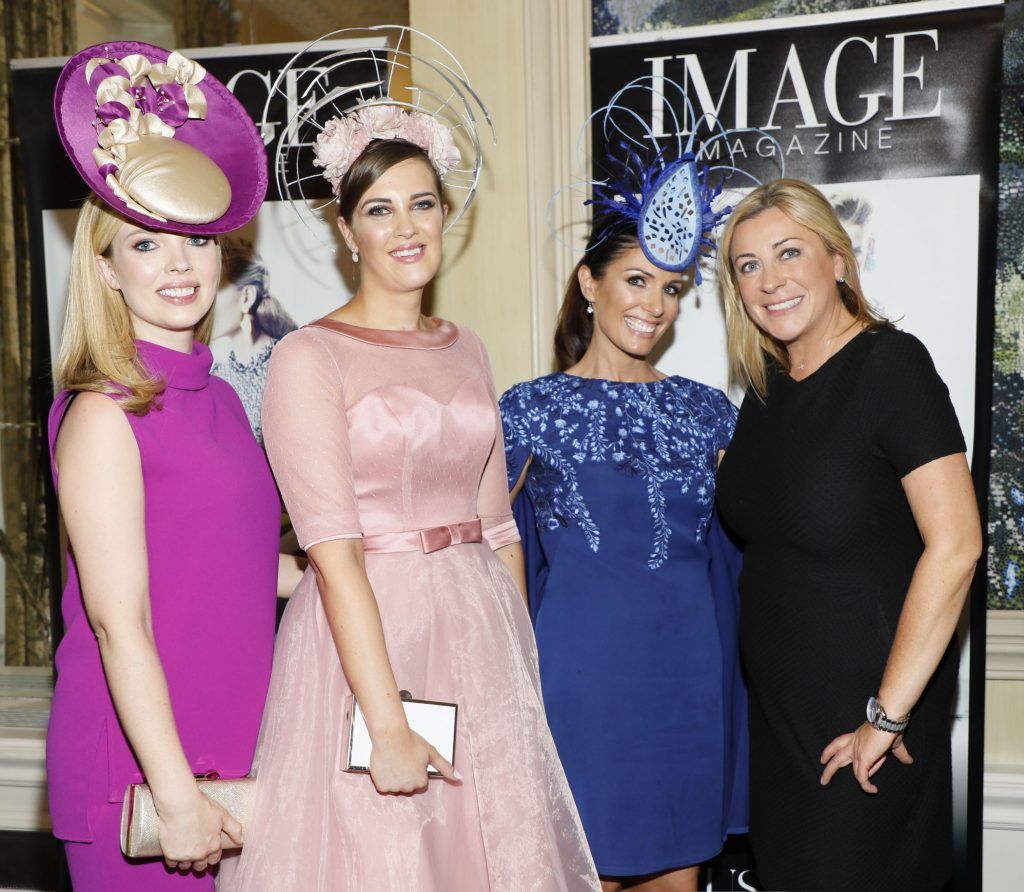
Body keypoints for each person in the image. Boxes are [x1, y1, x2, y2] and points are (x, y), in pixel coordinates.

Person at [218, 93, 600, 889]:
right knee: (388, 856)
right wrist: (385, 721)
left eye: (422, 203)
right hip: (372, 640)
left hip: (480, 640)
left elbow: (499, 530)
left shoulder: (470, 348)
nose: (406, 226)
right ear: (346, 231)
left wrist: (517, 674)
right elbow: (334, 555)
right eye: (380, 209)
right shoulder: (308, 358)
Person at [47, 43, 279, 889]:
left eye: (195, 241)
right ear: (105, 268)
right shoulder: (105, 414)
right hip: (142, 782)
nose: (179, 264)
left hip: (239, 753)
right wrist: (175, 794)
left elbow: (242, 567)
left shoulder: (218, 399)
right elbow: (119, 623)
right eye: (146, 246)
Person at [714, 178, 981, 891]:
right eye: (747, 265)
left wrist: (886, 717)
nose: (769, 281)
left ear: (837, 260)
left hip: (862, 728)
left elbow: (957, 545)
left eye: (789, 252)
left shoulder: (891, 366)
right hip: (778, 724)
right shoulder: (767, 391)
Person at [499, 144, 749, 887]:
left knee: (679, 877)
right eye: (636, 281)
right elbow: (478, 554)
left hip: (690, 678)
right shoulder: (528, 409)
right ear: (589, 283)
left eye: (672, 289)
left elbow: (750, 553)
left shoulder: (708, 411)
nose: (653, 305)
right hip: (580, 683)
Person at [211, 239, 297, 443]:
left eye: (214, 292)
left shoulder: (292, 363)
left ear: (246, 296)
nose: (204, 304)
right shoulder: (217, 377)